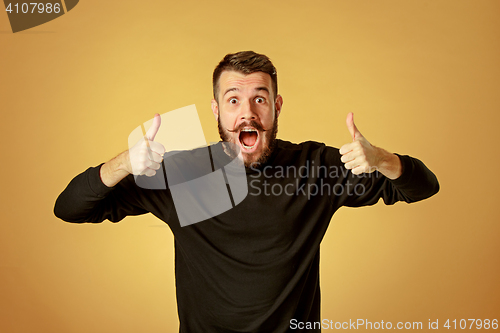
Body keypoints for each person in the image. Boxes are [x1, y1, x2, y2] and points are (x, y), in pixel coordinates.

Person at [54, 51, 439, 332]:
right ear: (216, 110)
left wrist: (381, 159)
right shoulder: (182, 174)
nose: (248, 112)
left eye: (260, 98)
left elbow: (422, 186)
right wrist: (123, 163)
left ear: (276, 106)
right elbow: (69, 208)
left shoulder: (317, 168)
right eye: (233, 99)